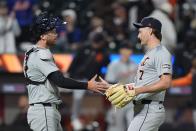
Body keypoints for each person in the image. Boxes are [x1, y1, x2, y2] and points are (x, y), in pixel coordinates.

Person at [23, 12, 108, 131]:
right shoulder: (41, 54)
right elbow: (60, 81)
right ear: (43, 36)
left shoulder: (31, 51)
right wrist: (87, 85)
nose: (56, 35)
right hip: (44, 111)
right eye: (52, 32)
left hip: (44, 109)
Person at [101, 17, 172, 131]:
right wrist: (112, 87)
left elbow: (166, 82)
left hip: (149, 109)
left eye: (140, 31)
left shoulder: (161, 53)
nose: (138, 36)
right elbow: (138, 85)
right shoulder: (150, 53)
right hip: (142, 108)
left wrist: (137, 91)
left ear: (150, 31)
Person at [105, 42, 137, 131]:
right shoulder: (113, 65)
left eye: (129, 50)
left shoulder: (135, 65)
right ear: (121, 51)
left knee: (133, 126)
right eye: (125, 49)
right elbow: (109, 84)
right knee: (116, 128)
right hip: (118, 100)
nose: (127, 52)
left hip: (131, 101)